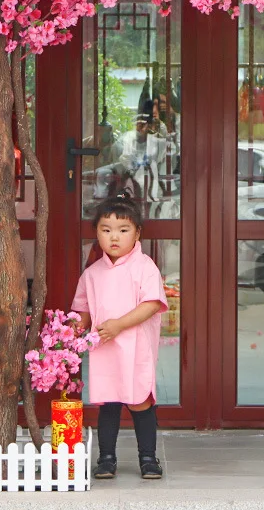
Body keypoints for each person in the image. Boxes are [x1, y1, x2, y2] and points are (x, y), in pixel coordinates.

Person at [71, 195, 168, 480]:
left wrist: (118, 325)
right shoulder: (92, 273)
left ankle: (148, 458)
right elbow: (82, 310)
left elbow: (151, 304)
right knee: (109, 402)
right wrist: (71, 333)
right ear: (97, 233)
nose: (114, 237)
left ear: (137, 232)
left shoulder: (145, 266)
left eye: (123, 230)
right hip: (105, 350)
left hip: (136, 349)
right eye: (106, 229)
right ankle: (107, 459)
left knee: (140, 401)